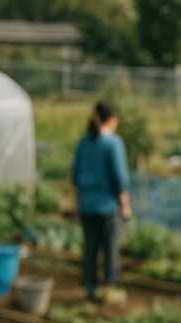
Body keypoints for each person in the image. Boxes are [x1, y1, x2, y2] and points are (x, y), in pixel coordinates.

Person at [71, 101, 130, 301]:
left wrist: (76, 202)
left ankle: (89, 287)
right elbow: (119, 178)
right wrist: (125, 204)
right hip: (107, 206)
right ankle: (108, 289)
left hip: (87, 205)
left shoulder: (83, 142)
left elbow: (75, 175)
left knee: (90, 248)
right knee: (110, 249)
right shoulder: (113, 143)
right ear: (110, 120)